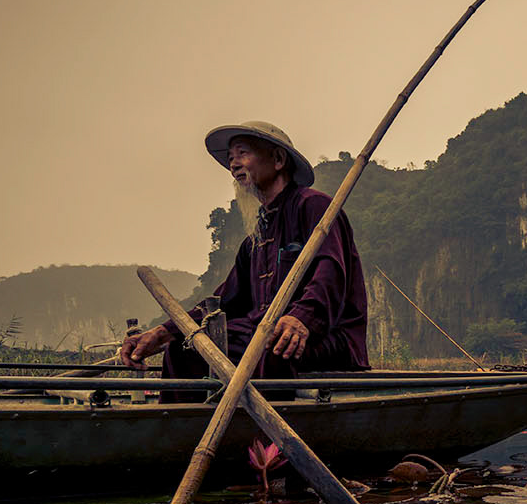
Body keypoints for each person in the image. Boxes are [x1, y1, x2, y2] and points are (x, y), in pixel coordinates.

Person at [121, 122, 369, 388]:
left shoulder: (314, 207)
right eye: (230, 158)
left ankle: (259, 430)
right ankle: (182, 427)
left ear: (277, 159)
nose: (234, 164)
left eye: (243, 154)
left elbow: (330, 274)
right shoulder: (255, 240)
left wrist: (301, 318)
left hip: (326, 336)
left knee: (274, 346)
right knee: (186, 350)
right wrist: (164, 333)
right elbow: (222, 302)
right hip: (261, 334)